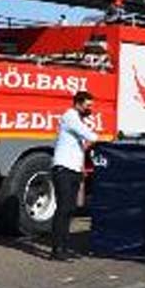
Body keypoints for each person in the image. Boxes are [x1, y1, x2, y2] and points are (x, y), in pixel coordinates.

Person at [50, 91, 98, 261]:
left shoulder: (78, 119)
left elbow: (81, 146)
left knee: (70, 209)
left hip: (74, 170)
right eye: (87, 105)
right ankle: (56, 249)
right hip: (63, 169)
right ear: (78, 103)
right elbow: (90, 135)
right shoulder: (70, 117)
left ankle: (64, 246)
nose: (89, 109)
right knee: (63, 209)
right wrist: (95, 135)